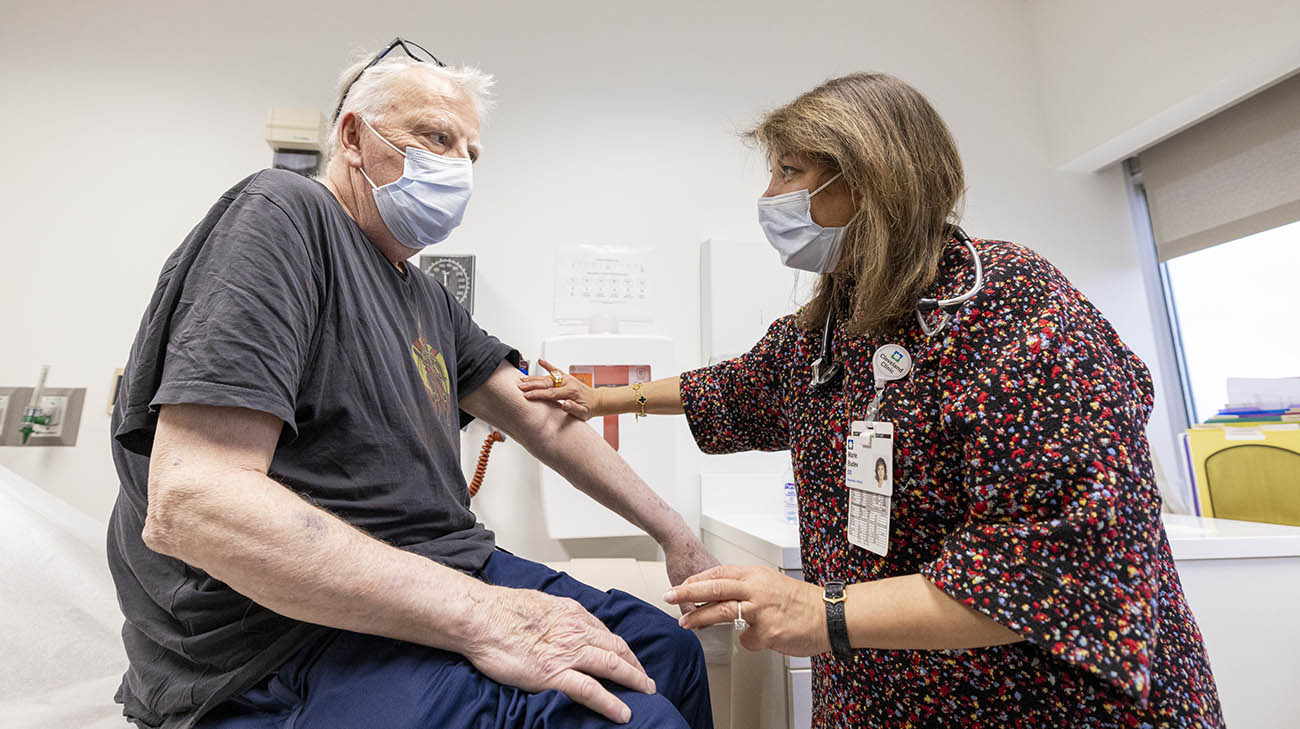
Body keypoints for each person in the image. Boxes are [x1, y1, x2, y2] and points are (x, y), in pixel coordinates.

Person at [520, 72, 1224, 728]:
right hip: (883, 693)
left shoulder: (1012, 307)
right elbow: (735, 387)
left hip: (1034, 699)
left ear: (866, 179)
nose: (771, 196)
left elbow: (1051, 568)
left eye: (789, 172)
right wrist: (604, 395)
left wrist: (817, 610)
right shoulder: (839, 318)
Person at [106, 39, 716, 729]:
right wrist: (486, 618)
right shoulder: (285, 212)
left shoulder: (425, 296)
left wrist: (672, 531)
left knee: (668, 650)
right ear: (353, 137)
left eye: (470, 153)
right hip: (282, 633)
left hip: (441, 565)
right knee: (638, 719)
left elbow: (540, 417)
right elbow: (192, 499)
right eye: (436, 137)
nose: (456, 167)